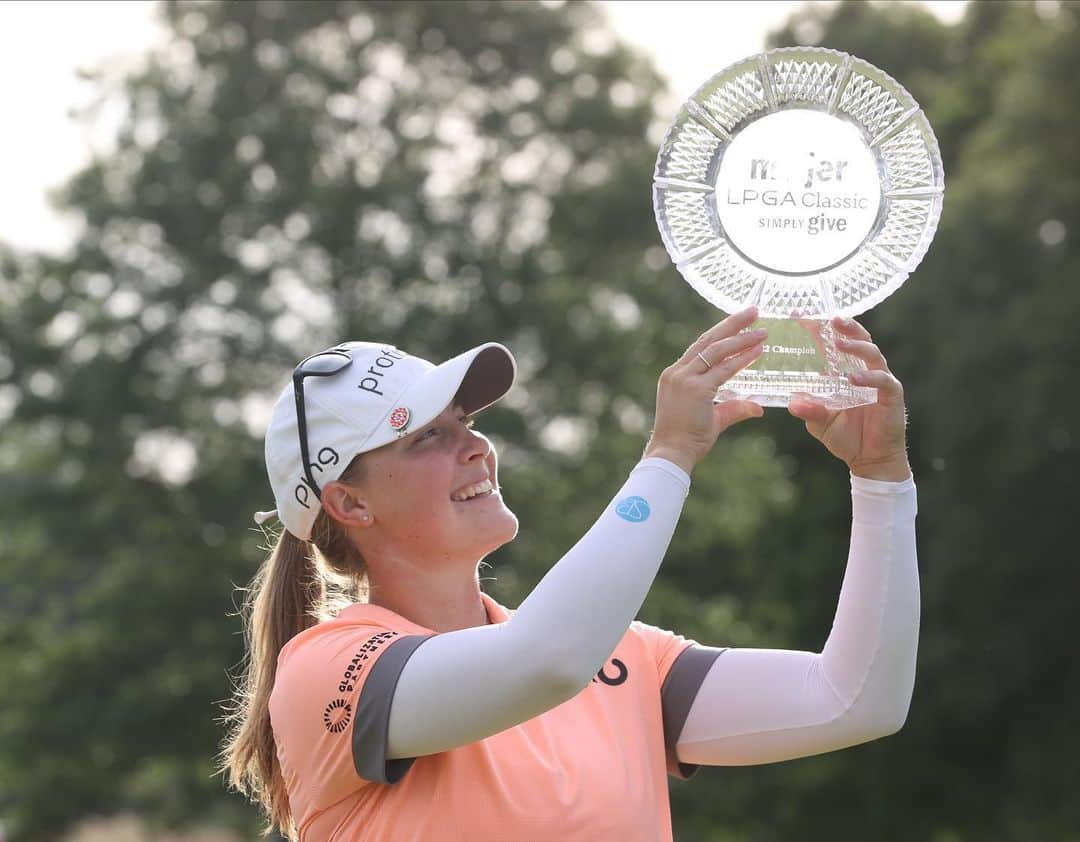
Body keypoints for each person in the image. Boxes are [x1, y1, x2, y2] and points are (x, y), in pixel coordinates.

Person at [219, 305, 919, 841]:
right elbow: (547, 660)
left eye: (466, 421)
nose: (476, 447)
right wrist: (669, 453)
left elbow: (856, 700)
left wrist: (881, 478)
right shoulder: (325, 668)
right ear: (349, 502)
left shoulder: (622, 657)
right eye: (427, 434)